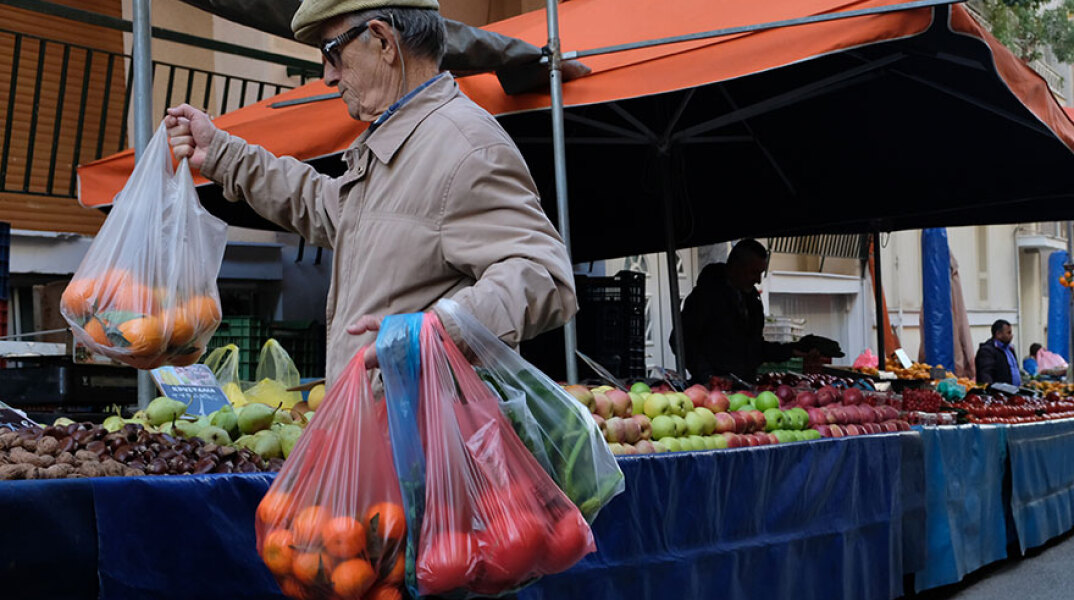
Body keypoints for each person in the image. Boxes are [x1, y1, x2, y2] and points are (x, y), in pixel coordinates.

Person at [164, 0, 577, 386]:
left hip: (425, 448)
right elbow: (327, 208)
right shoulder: (404, 140)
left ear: (382, 41)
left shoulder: (465, 146)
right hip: (387, 435)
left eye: (332, 51)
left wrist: (434, 332)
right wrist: (221, 154)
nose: (327, 74)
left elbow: (543, 275)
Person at [672, 239, 805, 384]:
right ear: (736, 267)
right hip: (713, 391)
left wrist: (790, 351)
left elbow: (754, 347)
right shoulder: (706, 296)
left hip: (744, 388)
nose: (758, 280)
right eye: (753, 272)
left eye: (760, 273)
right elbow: (680, 341)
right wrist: (708, 376)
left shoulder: (751, 300)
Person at [975, 319, 1021, 386]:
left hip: (1014, 392)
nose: (1011, 336)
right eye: (1008, 333)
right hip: (1000, 393)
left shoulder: (1010, 349)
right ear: (998, 334)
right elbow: (986, 375)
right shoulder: (987, 351)